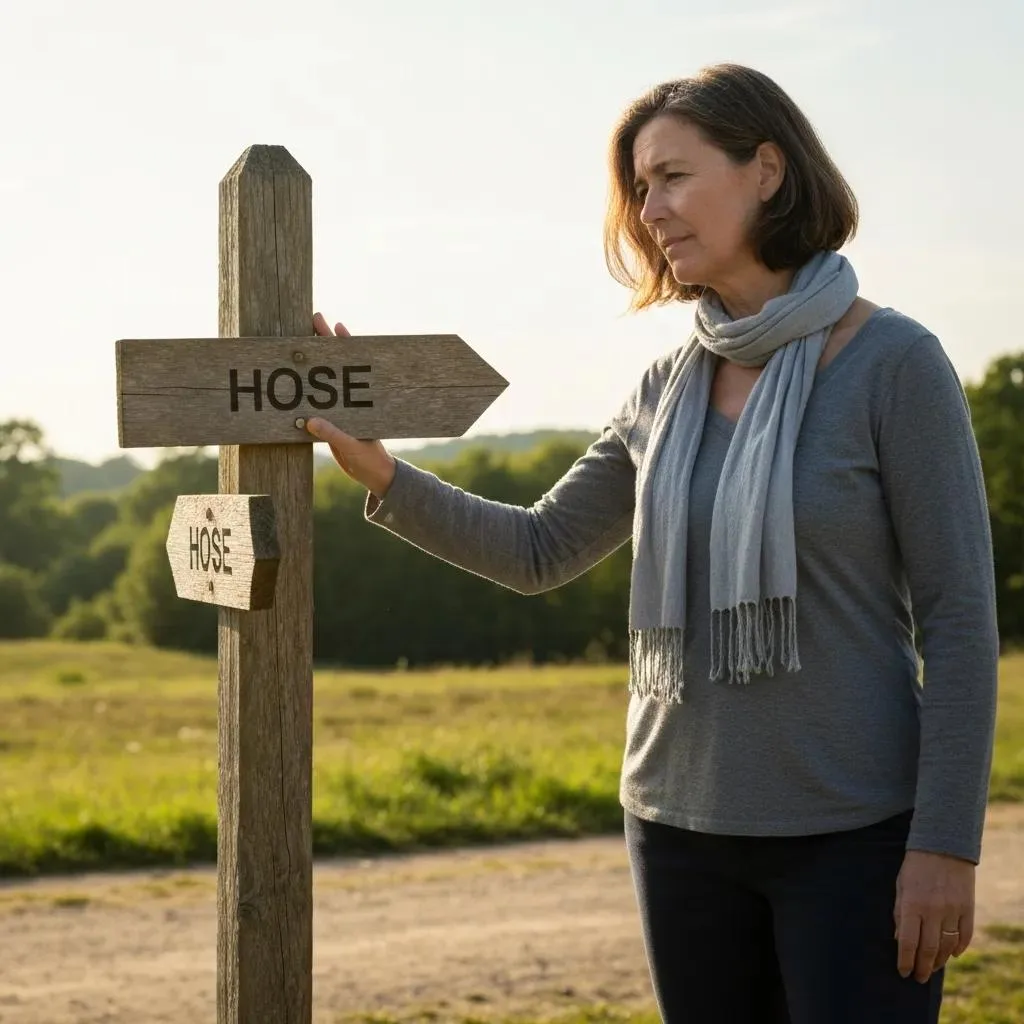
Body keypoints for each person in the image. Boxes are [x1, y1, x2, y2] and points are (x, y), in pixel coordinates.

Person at [305, 63, 999, 1024]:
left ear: (766, 169)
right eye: (639, 187)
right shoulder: (663, 388)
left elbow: (961, 618)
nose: (650, 209)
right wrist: (384, 473)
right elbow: (541, 549)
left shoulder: (896, 366)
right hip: (677, 831)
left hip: (855, 839)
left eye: (673, 176)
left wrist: (947, 846)